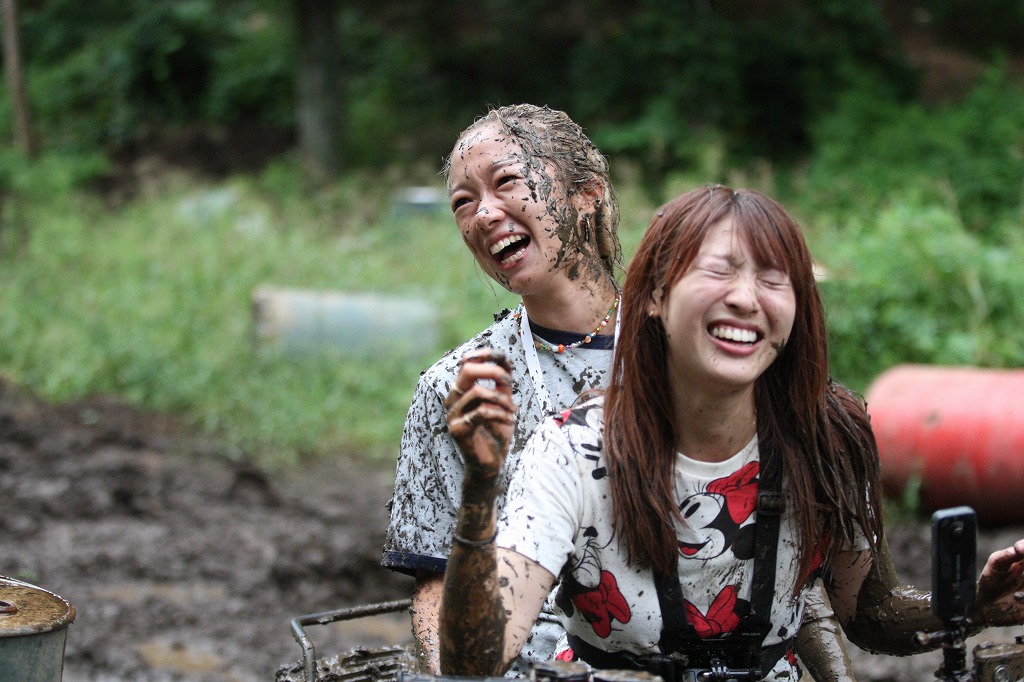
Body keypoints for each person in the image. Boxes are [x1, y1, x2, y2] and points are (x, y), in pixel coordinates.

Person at [437, 185, 1024, 681]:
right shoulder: (572, 450)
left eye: (773, 279)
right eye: (718, 271)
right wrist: (480, 490)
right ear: (656, 296)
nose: (745, 299)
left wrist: (975, 604)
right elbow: (474, 660)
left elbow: (870, 615)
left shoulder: (828, 439)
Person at [382, 104, 623, 675]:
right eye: (462, 202)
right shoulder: (460, 386)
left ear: (586, 194)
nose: (484, 213)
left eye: (507, 181)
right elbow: (437, 582)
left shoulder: (681, 352)